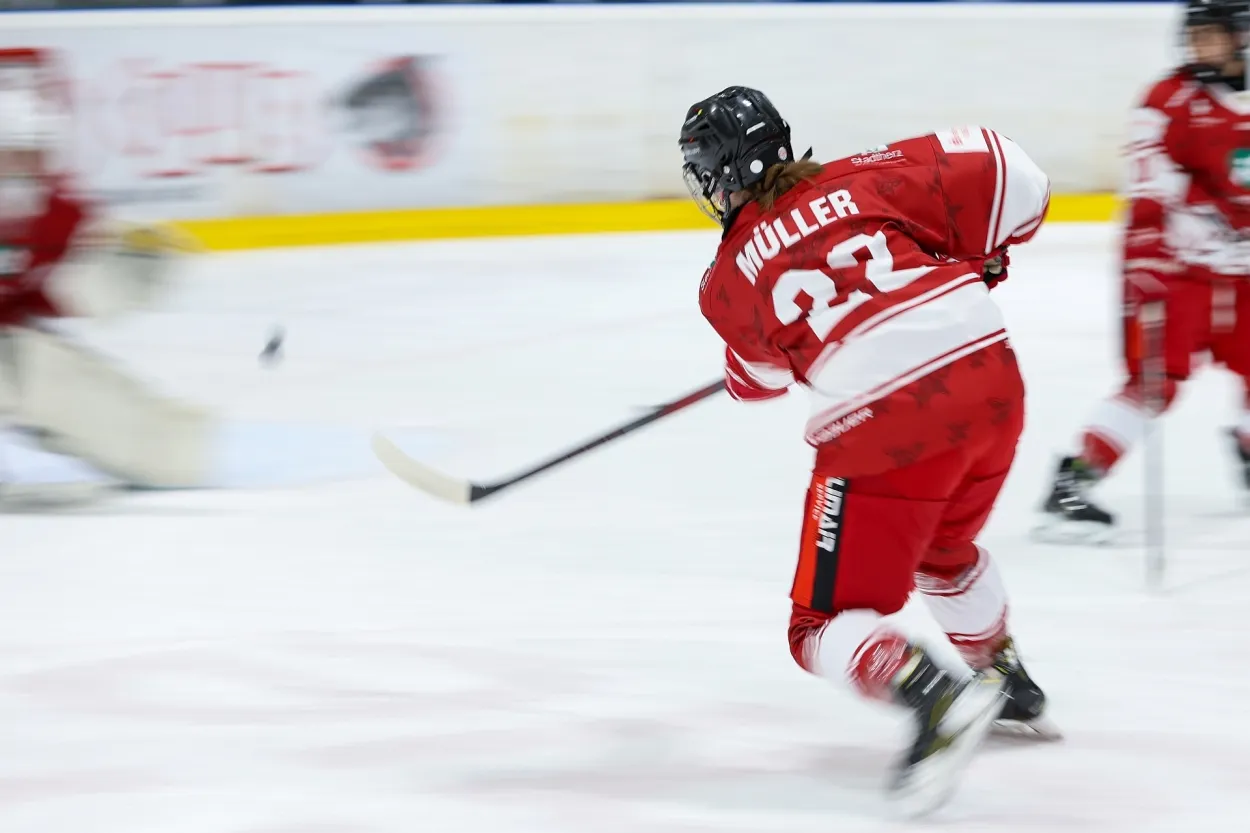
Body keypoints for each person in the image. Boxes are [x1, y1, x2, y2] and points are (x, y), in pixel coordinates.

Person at [681, 87, 1057, 815]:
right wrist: (984, 256)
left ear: (724, 172)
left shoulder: (724, 280)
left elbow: (760, 379)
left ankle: (934, 695)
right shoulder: (867, 174)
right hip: (990, 378)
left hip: (888, 422)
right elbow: (1019, 178)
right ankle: (1002, 675)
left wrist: (738, 371)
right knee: (942, 549)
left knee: (818, 625)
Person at [1042, 0, 1250, 534]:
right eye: (1195, 35)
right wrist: (1148, 262)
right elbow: (1150, 185)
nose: (1200, 45)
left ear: (1241, 38)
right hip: (1178, 272)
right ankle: (1075, 480)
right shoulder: (1167, 100)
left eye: (1212, 35)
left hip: (1243, 273)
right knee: (1156, 383)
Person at [0, 82, 209, 496]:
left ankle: (154, 448)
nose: (30, 163)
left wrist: (117, 274)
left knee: (46, 370)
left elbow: (38, 293)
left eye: (37, 151)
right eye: (18, 151)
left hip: (9, 336)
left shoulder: (58, 210)